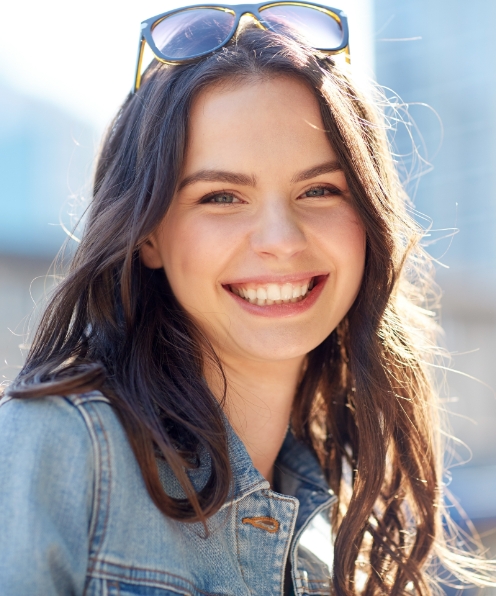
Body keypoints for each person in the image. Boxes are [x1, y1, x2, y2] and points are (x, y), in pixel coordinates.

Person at [0, 4, 494, 595]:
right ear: (148, 234)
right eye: (221, 197)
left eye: (319, 189)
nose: (281, 242)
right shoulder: (60, 446)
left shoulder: (339, 520)